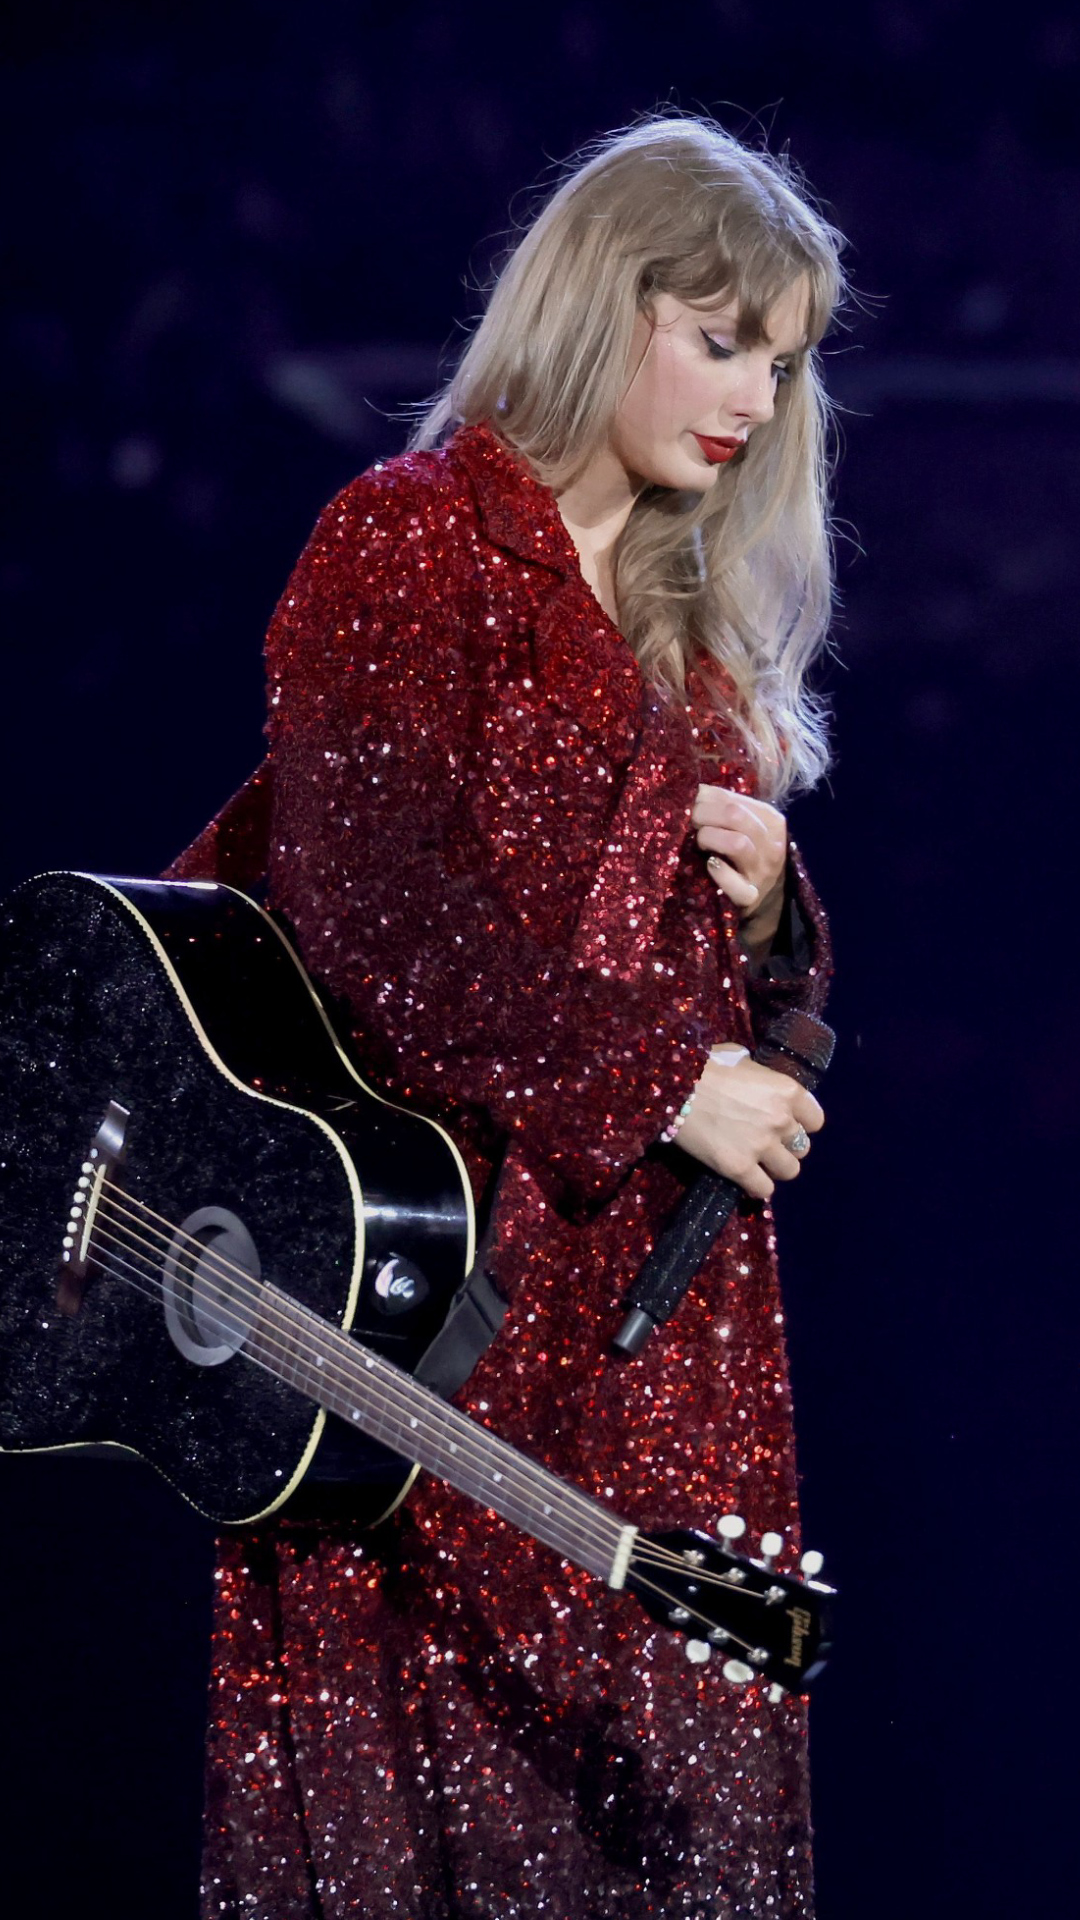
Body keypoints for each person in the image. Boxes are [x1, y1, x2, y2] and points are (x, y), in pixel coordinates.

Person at [168, 114, 845, 1920]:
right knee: (438, 1812)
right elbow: (372, 912)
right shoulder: (406, 543)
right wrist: (663, 1085)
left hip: (664, 1331)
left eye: (782, 365)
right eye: (723, 342)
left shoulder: (690, 627)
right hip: (434, 1290)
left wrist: (773, 918)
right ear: (602, 304)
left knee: (672, 1823)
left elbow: (721, 992)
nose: (757, 401)